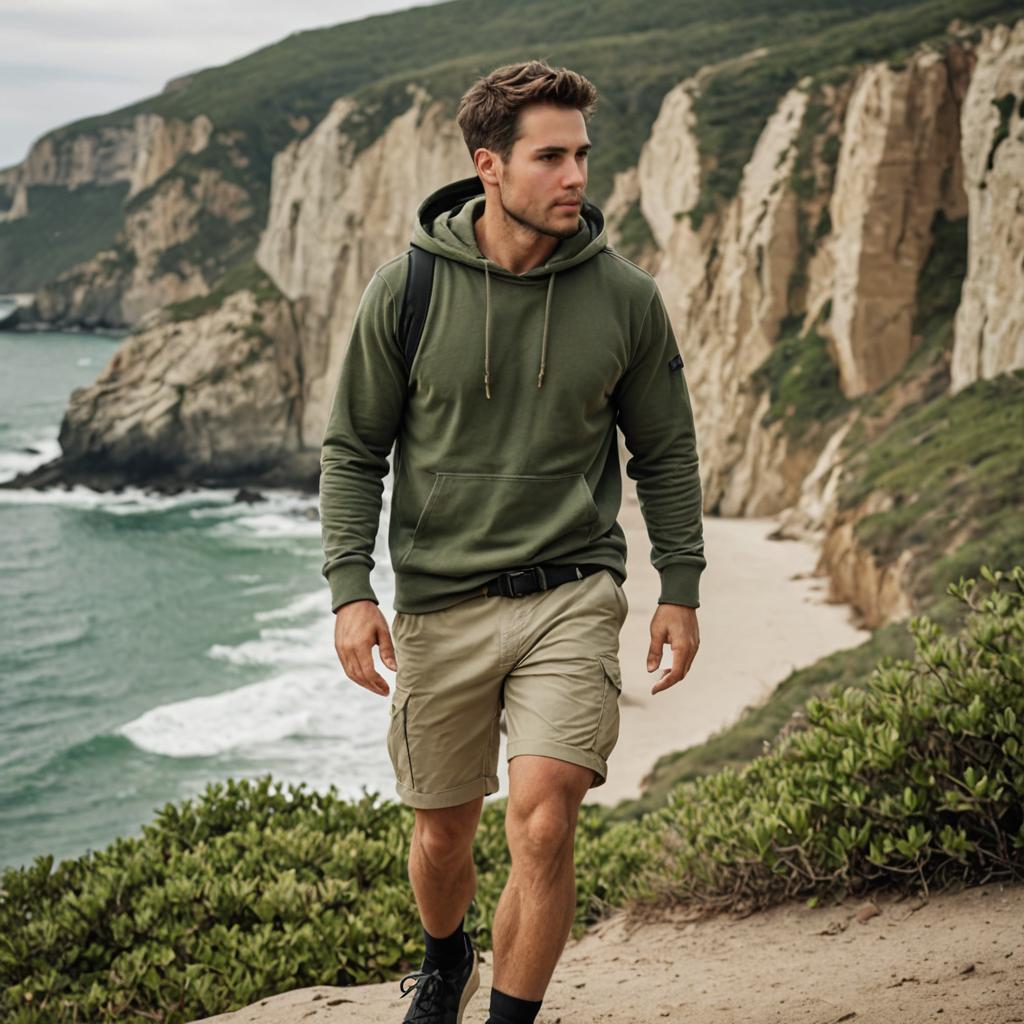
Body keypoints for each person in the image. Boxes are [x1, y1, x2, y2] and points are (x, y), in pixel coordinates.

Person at [318, 58, 705, 1024]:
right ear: (489, 166)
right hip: (439, 601)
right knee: (444, 837)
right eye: (550, 156)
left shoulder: (625, 298)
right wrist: (349, 589)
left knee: (544, 820)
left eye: (581, 154)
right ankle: (445, 958)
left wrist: (681, 587)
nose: (576, 175)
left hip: (571, 591)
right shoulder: (404, 291)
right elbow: (354, 449)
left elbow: (666, 454)